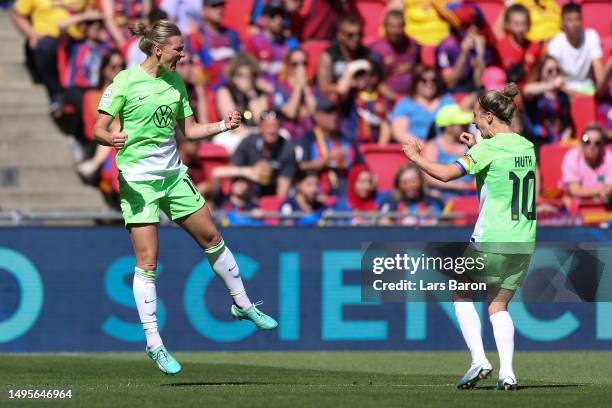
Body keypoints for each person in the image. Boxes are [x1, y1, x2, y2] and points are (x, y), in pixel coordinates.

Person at [92, 20, 277, 376]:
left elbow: (189, 132)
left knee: (213, 238)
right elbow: (99, 128)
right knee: (148, 261)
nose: (183, 54)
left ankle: (242, 304)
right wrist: (110, 140)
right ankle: (154, 343)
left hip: (174, 176)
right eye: (178, 48)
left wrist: (223, 125)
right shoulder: (125, 81)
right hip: (138, 179)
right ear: (158, 49)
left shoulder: (176, 83)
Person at [402, 83, 536, 391]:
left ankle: (479, 360)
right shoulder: (526, 147)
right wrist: (476, 146)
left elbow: (447, 174)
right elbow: (500, 168)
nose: (473, 121)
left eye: (476, 116)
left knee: (461, 294)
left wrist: (415, 158)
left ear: (489, 116)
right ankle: (508, 373)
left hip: (491, 238)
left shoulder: (488, 149)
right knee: (498, 306)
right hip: (524, 241)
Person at [11, 0, 93, 113]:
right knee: (45, 48)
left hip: (77, 38)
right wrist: (31, 34)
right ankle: (56, 92)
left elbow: (93, 10)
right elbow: (17, 14)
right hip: (47, 38)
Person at [212, 111, 297, 198]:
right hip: (247, 194)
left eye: (274, 126)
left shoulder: (287, 148)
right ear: (260, 128)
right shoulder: (248, 142)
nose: (271, 130)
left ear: (280, 128)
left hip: (271, 194)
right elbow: (227, 170)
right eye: (267, 126)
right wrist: (249, 171)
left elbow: (283, 189)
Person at [297, 98, 365, 196]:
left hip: (346, 192)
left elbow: (361, 167)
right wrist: (326, 160)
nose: (334, 116)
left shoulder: (347, 140)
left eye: (336, 112)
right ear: (317, 116)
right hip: (316, 194)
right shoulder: (307, 140)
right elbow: (299, 167)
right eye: (328, 113)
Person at [215, 53, 270, 151]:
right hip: (235, 134)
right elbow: (232, 124)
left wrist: (251, 95)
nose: (245, 80)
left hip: (257, 132)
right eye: (240, 76)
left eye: (248, 76)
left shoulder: (258, 94)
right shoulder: (225, 91)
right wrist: (252, 136)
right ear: (233, 77)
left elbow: (261, 121)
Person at [547, 2, 604, 95]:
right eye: (569, 20)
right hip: (565, 92)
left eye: (577, 19)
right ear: (563, 23)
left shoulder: (591, 36)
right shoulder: (555, 43)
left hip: (589, 88)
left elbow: (599, 73)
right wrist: (580, 96)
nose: (574, 24)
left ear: (582, 20)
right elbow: (554, 81)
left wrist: (599, 92)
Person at [422, 104, 475, 202]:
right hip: (442, 196)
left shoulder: (469, 144)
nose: (465, 126)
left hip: (470, 194)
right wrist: (457, 186)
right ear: (448, 126)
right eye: (461, 124)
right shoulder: (432, 147)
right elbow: (428, 177)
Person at [185, 0, 242, 91]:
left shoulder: (232, 35)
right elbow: (190, 72)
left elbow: (242, 64)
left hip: (234, 90)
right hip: (207, 93)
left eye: (222, 5)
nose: (220, 9)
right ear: (203, 10)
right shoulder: (194, 38)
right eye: (214, 6)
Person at [390, 64, 455, 143]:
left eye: (433, 80)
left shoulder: (447, 101)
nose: (429, 84)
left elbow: (456, 129)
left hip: (445, 150)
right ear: (415, 82)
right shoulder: (405, 104)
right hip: (415, 150)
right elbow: (400, 133)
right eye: (424, 80)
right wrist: (423, 145)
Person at [368, 9, 421, 102]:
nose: (395, 31)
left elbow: (420, 71)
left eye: (399, 26)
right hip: (387, 100)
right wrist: (398, 99)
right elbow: (374, 82)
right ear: (384, 26)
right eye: (391, 26)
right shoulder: (376, 49)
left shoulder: (414, 45)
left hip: (414, 98)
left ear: (404, 26)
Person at [316, 15, 372, 100]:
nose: (356, 38)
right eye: (350, 35)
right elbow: (323, 89)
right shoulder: (328, 56)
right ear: (340, 35)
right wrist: (346, 85)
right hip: (335, 102)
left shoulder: (366, 54)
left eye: (359, 34)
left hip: (360, 100)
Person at [522, 56, 572, 149]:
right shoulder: (536, 94)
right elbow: (526, 90)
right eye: (550, 71)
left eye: (557, 70)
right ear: (541, 72)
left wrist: (566, 137)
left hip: (558, 145)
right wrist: (553, 84)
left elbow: (567, 123)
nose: (554, 74)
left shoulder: (563, 96)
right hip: (536, 144)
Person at [246, 3, 298, 86]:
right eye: (273, 15)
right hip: (262, 91)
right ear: (265, 19)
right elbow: (247, 74)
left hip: (286, 91)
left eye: (281, 15)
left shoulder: (290, 43)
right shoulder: (254, 42)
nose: (279, 20)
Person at [272, 48, 316, 141]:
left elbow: (316, 112)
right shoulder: (280, 88)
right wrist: (299, 87)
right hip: (290, 138)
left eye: (304, 63)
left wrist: (306, 88)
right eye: (295, 64)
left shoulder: (313, 87)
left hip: (311, 137)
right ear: (288, 65)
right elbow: (290, 113)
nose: (301, 68)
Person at [561, 124, 612, 204]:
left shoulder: (608, 158)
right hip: (576, 206)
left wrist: (607, 191)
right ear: (581, 142)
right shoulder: (572, 157)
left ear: (602, 145)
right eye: (587, 141)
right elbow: (574, 190)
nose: (592, 145)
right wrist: (601, 190)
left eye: (597, 142)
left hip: (603, 206)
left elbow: (610, 187)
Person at [493, 4, 542, 86]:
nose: (520, 28)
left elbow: (537, 74)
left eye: (524, 24)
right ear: (507, 24)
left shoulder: (535, 47)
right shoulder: (500, 46)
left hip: (527, 91)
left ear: (529, 25)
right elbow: (494, 74)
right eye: (516, 24)